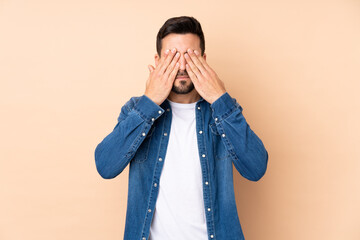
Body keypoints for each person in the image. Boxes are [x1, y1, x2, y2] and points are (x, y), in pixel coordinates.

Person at [94, 16, 268, 240]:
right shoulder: (136, 110)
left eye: (190, 56)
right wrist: (149, 102)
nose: (183, 66)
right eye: (173, 57)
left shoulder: (223, 111)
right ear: (157, 61)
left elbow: (256, 168)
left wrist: (219, 98)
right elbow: (105, 166)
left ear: (204, 59)